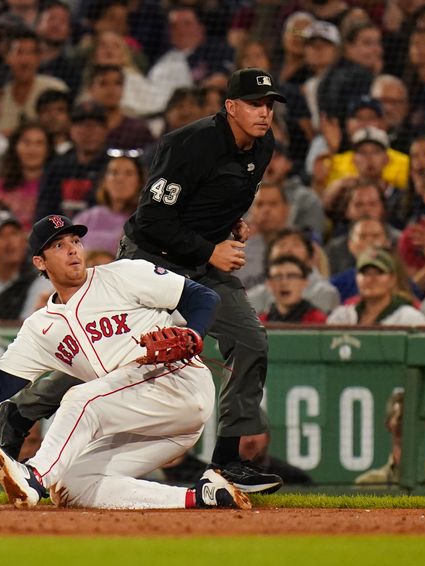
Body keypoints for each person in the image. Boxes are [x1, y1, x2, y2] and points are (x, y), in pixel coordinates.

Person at [0, 215, 249, 509]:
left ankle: (33, 477)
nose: (72, 249)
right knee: (70, 486)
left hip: (176, 384)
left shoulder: (123, 274)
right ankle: (203, 496)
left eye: (75, 241)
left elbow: (203, 298)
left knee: (81, 398)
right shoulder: (40, 328)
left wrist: (192, 333)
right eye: (59, 245)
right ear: (39, 262)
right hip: (152, 425)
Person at [118, 68, 286, 494]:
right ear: (230, 107)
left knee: (250, 340)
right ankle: (22, 414)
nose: (264, 113)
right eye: (254, 104)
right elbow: (153, 220)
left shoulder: (264, 146)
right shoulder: (187, 144)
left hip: (202, 265)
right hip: (151, 259)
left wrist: (231, 224)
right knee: (113, 355)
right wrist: (210, 250)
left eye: (269, 105)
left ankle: (228, 462)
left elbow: (213, 197)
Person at [355, 390, 425, 489]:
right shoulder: (368, 484)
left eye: (413, 419)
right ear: (388, 424)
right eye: (401, 418)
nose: (407, 425)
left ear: (424, 424)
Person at [0, 211, 44, 321]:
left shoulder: (38, 276)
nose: (10, 242)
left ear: (24, 241)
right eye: (0, 235)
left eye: (14, 233)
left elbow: (29, 325)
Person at [327, 248, 425, 326]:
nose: (370, 279)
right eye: (365, 273)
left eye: (379, 273)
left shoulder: (409, 318)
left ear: (392, 279)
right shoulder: (343, 316)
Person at [0, 121, 51, 232]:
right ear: (15, 147)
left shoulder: (55, 185)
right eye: (26, 143)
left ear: (48, 150)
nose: (32, 150)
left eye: (39, 143)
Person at [72, 155, 142, 256]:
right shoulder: (85, 218)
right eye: (114, 172)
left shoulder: (142, 221)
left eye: (128, 173)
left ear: (139, 181)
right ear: (104, 181)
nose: (120, 179)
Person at [260, 255, 326, 325]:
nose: (284, 282)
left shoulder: (318, 320)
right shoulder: (259, 322)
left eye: (292, 276)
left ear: (305, 282)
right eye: (277, 277)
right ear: (268, 284)